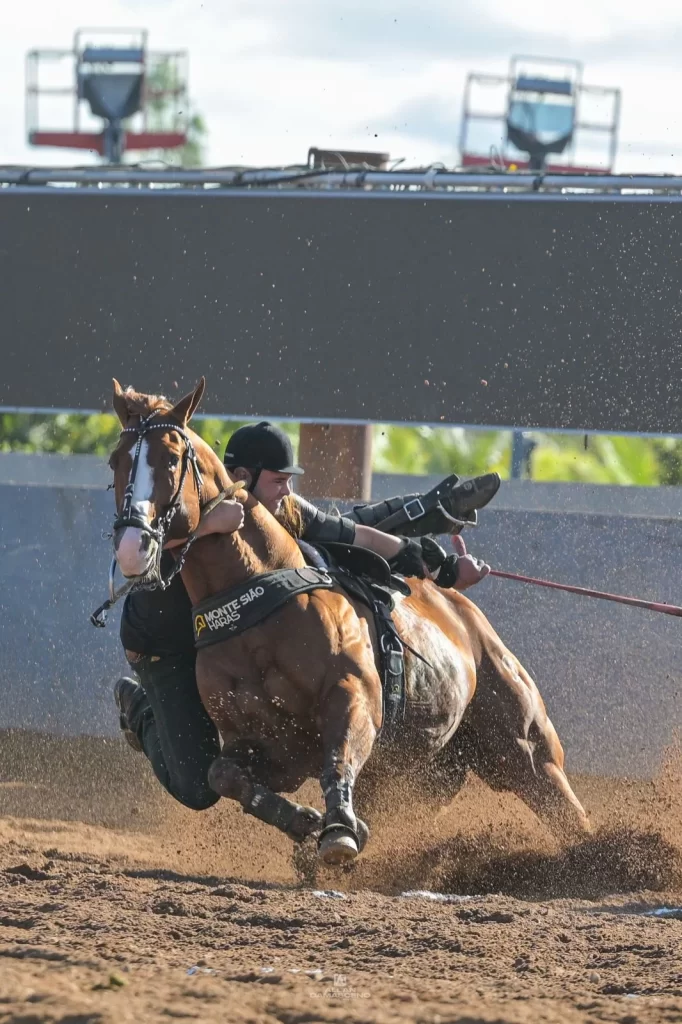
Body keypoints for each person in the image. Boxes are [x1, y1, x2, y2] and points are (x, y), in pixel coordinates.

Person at [114, 422, 496, 811]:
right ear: (243, 479)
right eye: (279, 480)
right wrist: (210, 524)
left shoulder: (284, 511)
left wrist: (443, 567)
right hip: (166, 647)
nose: (288, 491)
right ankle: (142, 710)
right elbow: (138, 552)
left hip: (218, 651)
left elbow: (354, 532)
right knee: (197, 787)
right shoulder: (195, 504)